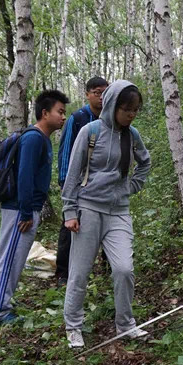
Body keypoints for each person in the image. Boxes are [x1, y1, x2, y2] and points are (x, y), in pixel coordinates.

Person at [61, 81, 151, 348]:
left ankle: (126, 325)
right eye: (126, 109)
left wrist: (132, 186)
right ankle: (73, 326)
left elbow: (145, 162)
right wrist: (69, 210)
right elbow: (73, 172)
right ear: (113, 106)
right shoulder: (91, 131)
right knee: (80, 271)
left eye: (135, 110)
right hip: (88, 209)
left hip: (119, 211)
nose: (131, 115)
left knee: (124, 269)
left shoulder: (132, 135)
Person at [0, 90, 69, 325]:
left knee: (12, 258)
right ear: (45, 113)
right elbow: (24, 176)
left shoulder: (40, 138)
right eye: (59, 112)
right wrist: (25, 211)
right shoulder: (33, 138)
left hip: (25, 209)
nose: (63, 117)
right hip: (19, 210)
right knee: (10, 258)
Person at [55, 76, 108, 287]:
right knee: (69, 226)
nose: (101, 97)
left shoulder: (110, 119)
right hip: (76, 184)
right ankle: (63, 274)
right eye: (97, 92)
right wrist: (66, 183)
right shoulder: (77, 119)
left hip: (100, 186)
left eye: (105, 92)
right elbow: (65, 151)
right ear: (87, 94)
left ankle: (107, 266)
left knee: (105, 223)